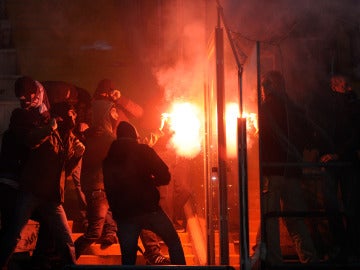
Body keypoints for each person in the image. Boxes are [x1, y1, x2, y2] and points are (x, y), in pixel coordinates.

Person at [0, 97, 84, 269]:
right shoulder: (46, 129)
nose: (75, 117)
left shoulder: (68, 138)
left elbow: (64, 171)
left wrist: (77, 156)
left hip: (52, 197)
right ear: (62, 115)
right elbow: (31, 141)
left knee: (65, 238)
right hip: (31, 191)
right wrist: (49, 129)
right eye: (72, 113)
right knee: (14, 233)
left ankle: (71, 266)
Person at [256, 70, 318, 266]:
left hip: (272, 171)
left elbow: (261, 141)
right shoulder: (295, 109)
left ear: (268, 87)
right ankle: (310, 260)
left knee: (270, 220)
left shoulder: (265, 109)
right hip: (292, 171)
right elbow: (309, 138)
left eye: (263, 86)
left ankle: (274, 263)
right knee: (295, 220)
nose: (262, 91)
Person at [102, 121, 186, 265]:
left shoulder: (109, 160)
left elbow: (109, 189)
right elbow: (165, 175)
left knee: (128, 259)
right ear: (135, 135)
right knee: (173, 241)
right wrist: (151, 183)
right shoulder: (144, 151)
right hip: (149, 209)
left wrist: (117, 214)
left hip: (125, 215)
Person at [314, 74, 360, 262]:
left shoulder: (341, 107)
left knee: (339, 205)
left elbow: (329, 132)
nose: (343, 87)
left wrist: (331, 154)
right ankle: (348, 247)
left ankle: (345, 246)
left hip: (340, 161)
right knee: (346, 205)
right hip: (344, 160)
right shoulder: (351, 105)